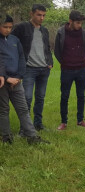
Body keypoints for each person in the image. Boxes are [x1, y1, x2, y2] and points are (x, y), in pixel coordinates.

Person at [0, 14, 49, 144]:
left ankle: (32, 137)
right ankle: (6, 137)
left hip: (16, 81)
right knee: (3, 110)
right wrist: (6, 77)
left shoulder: (15, 40)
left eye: (10, 27)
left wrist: (19, 76)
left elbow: (22, 58)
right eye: (5, 27)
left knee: (23, 109)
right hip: (2, 82)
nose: (8, 30)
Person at [11, 4, 54, 131]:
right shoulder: (21, 27)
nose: (41, 18)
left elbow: (47, 48)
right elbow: (11, 44)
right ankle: (25, 128)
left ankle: (38, 124)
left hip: (44, 69)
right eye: (39, 15)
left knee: (40, 97)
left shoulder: (44, 30)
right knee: (27, 98)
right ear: (31, 14)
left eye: (43, 15)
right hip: (29, 69)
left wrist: (50, 62)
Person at [54, 10, 85, 130]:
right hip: (66, 70)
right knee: (65, 96)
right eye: (78, 23)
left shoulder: (84, 34)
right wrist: (64, 62)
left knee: (81, 95)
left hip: (81, 70)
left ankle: (80, 120)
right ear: (70, 21)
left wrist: (81, 60)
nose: (80, 25)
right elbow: (57, 51)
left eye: (81, 23)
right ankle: (64, 121)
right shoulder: (61, 32)